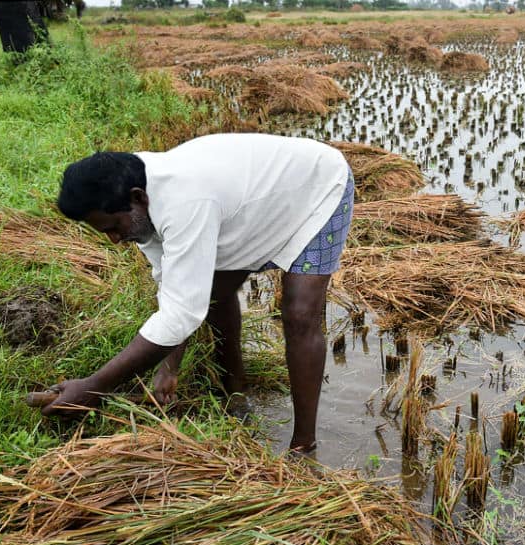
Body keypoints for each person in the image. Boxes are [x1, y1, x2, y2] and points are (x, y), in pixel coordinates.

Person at [47, 134, 354, 453]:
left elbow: (180, 314)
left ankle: (303, 446)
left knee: (300, 313)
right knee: (213, 292)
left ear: (138, 198)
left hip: (317, 188)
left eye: (113, 226)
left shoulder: (184, 200)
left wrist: (94, 388)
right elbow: (175, 291)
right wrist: (169, 367)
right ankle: (235, 394)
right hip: (252, 205)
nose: (113, 238)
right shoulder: (130, 193)